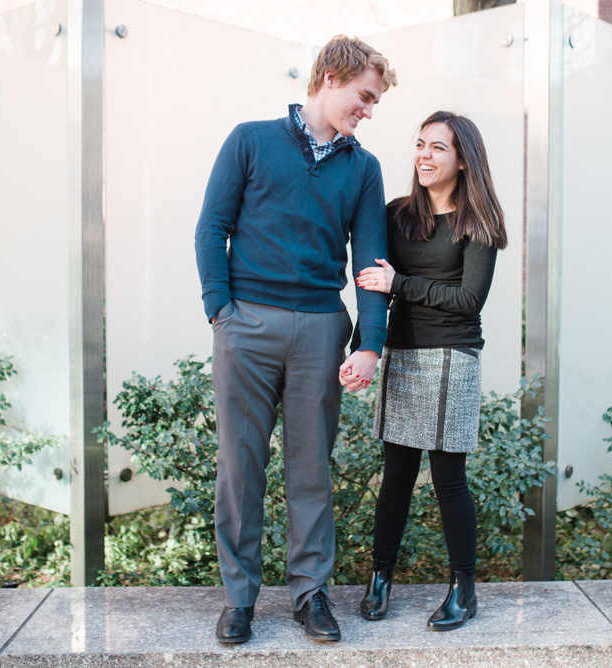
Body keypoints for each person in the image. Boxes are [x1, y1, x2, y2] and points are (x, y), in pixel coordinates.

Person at [194, 36, 396, 644]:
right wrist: (219, 313)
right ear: (331, 77)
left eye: (375, 102)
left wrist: (369, 342)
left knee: (310, 470)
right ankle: (239, 601)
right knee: (240, 467)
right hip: (246, 325)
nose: (369, 110)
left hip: (319, 329)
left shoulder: (363, 167)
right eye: (364, 96)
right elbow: (212, 229)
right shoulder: (250, 140)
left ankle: (310, 596)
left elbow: (371, 259)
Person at [354, 111, 507, 631]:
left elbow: (468, 300)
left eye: (437, 148)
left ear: (462, 159)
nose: (424, 155)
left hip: (452, 360)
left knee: (448, 481)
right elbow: (367, 278)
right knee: (395, 478)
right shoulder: (396, 215)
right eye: (420, 144)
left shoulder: (477, 224)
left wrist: (400, 284)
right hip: (402, 353)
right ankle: (380, 578)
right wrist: (364, 344)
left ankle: (464, 587)